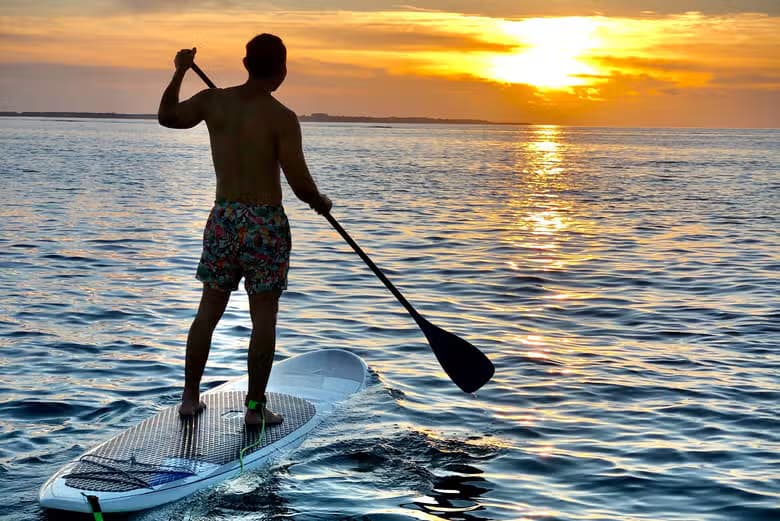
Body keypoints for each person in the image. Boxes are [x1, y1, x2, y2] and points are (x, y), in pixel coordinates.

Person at [157, 34, 332, 426]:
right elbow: (300, 183)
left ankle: (189, 398)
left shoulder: (212, 102)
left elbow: (167, 116)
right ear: (282, 70)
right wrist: (321, 201)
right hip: (264, 224)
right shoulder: (281, 117)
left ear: (245, 62)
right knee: (264, 318)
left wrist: (179, 72)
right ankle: (254, 410)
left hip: (224, 218)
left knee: (208, 313)